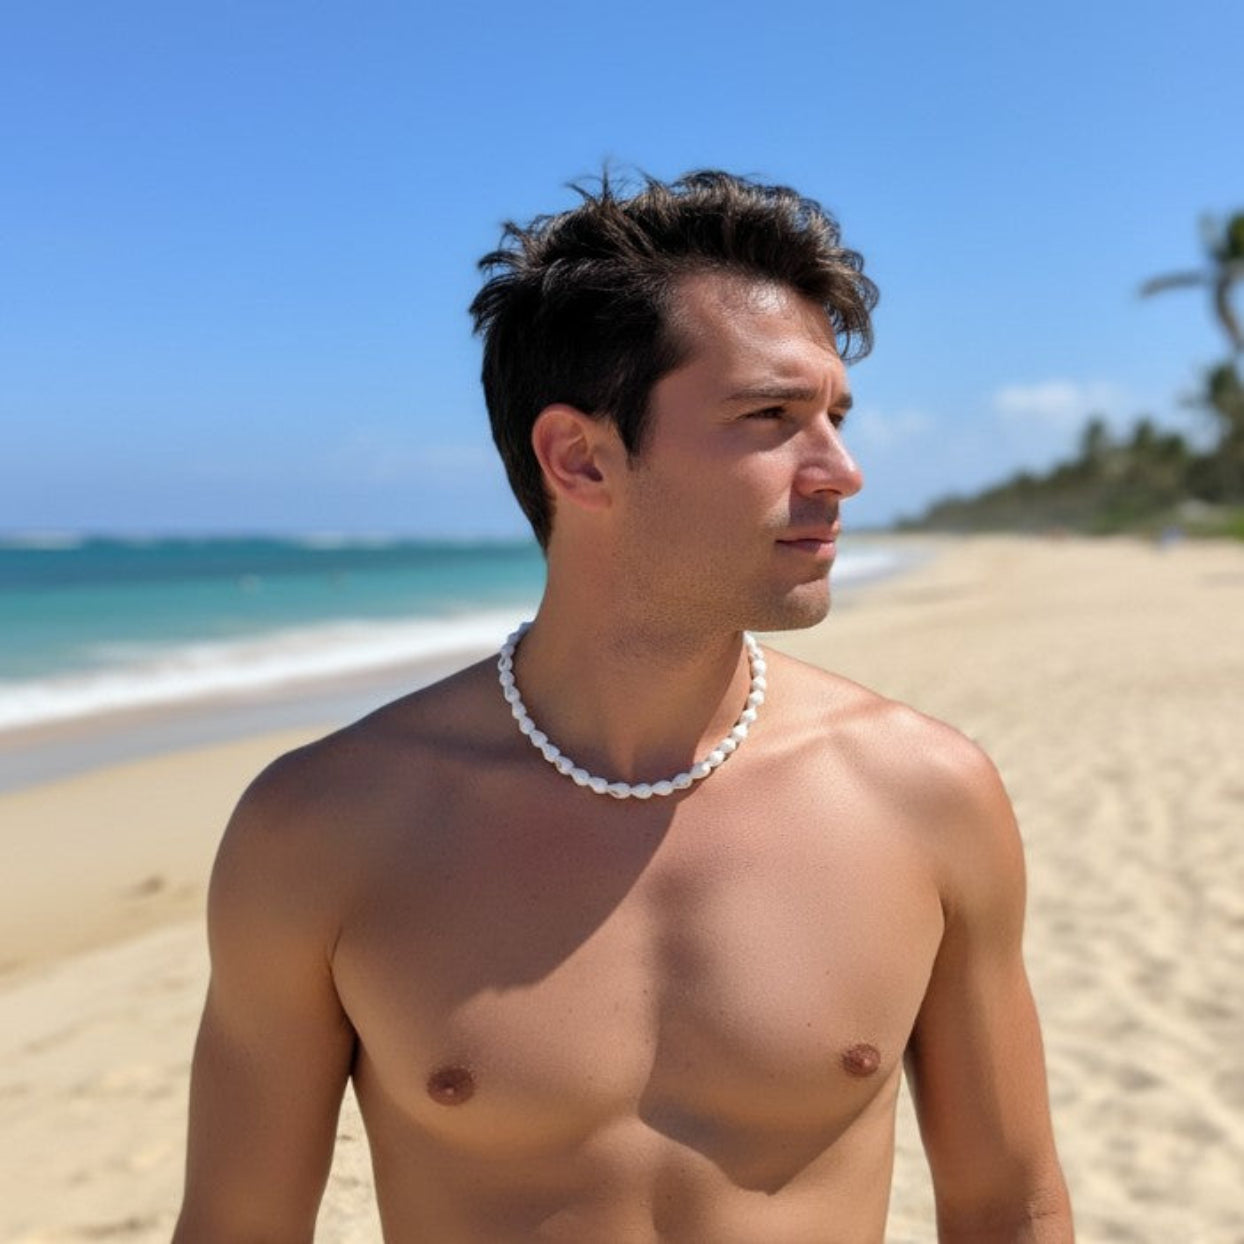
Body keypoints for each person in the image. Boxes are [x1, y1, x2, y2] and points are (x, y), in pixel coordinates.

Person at [174, 171, 1073, 1242]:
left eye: (832, 414)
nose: (841, 469)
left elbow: (1005, 1206)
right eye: (771, 417)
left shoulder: (922, 794)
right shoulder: (324, 827)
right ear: (580, 457)